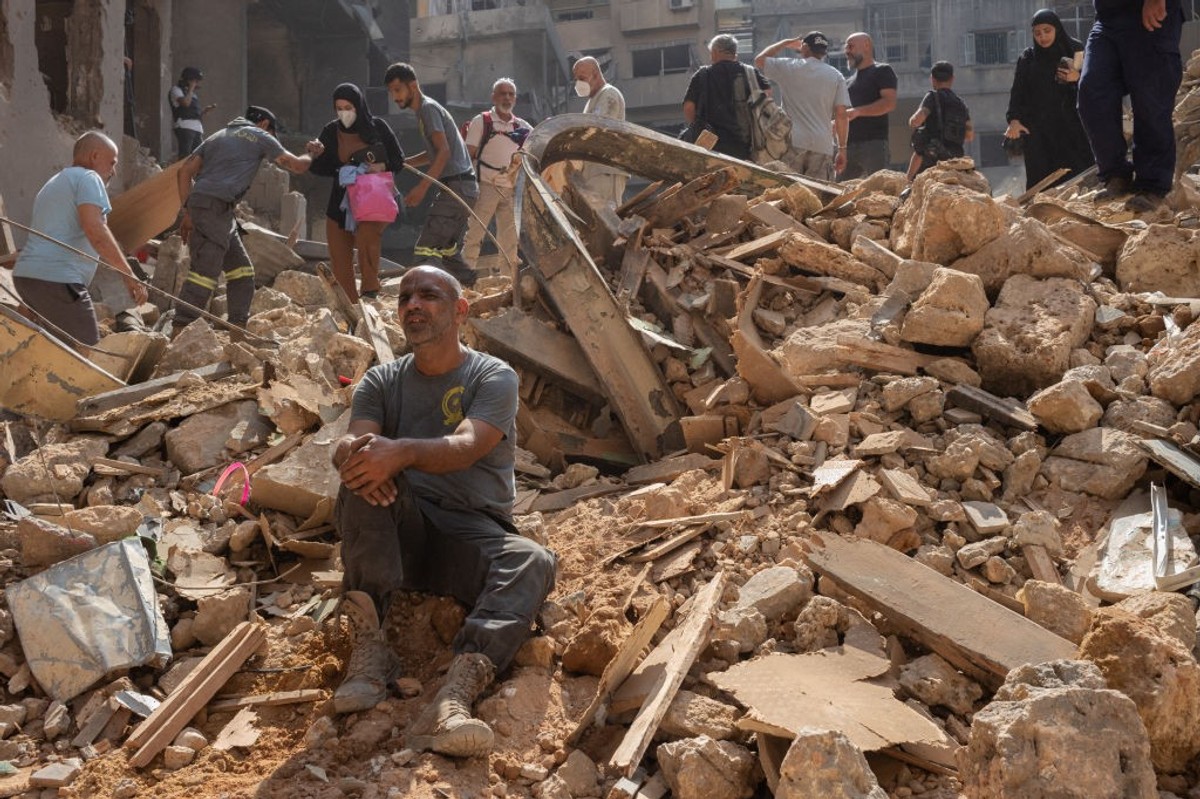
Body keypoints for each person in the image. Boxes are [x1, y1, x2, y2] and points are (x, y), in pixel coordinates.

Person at [331, 265, 556, 759]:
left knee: (533, 561)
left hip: (471, 533)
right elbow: (356, 437)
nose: (413, 304)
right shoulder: (381, 381)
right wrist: (351, 453)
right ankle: (370, 652)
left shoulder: (492, 376)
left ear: (460, 311)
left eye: (428, 295)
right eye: (405, 297)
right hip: (402, 532)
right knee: (363, 481)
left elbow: (469, 444)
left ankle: (454, 695)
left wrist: (403, 451)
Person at [174, 106, 321, 331]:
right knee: (205, 271)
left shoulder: (217, 136)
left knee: (242, 272)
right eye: (273, 134)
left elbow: (184, 171)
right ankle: (180, 329)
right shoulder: (260, 135)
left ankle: (237, 329)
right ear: (264, 124)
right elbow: (298, 166)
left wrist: (189, 211)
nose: (274, 140)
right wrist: (311, 152)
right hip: (215, 207)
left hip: (217, 210)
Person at [12, 131, 148, 347]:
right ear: (94, 156)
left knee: (35, 347)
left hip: (27, 278)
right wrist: (128, 275)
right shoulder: (89, 178)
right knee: (85, 350)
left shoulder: (54, 183)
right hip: (59, 281)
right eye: (112, 163)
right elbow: (96, 231)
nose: (113, 171)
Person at [1077, 0, 1185, 212]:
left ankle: (1152, 186)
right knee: (1093, 91)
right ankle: (1116, 174)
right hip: (1108, 17)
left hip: (1149, 13)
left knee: (1150, 99)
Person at [384, 63, 480, 287]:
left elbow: (444, 152)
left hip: (456, 188)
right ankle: (471, 288)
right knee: (447, 252)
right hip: (464, 188)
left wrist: (421, 188)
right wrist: (404, 163)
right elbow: (434, 153)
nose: (395, 97)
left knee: (425, 250)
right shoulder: (426, 111)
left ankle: (426, 298)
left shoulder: (427, 109)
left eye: (398, 90)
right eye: (391, 92)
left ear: (413, 86)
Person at [309, 83, 405, 302]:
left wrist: (381, 166)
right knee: (339, 255)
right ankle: (350, 306)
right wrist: (317, 155)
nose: (344, 113)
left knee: (367, 239)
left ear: (358, 106)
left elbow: (398, 160)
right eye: (339, 108)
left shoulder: (377, 127)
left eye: (348, 108)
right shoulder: (331, 131)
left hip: (373, 199)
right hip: (341, 203)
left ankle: (370, 292)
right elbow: (319, 169)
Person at [1004, 9, 1094, 191]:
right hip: (1038, 130)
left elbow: (1093, 85)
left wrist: (1077, 78)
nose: (1042, 37)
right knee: (1040, 184)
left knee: (1078, 180)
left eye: (1047, 31)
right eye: (1037, 33)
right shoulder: (1028, 58)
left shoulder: (1075, 50)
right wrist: (1014, 120)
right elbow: (1017, 92)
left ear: (1057, 29)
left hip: (1071, 128)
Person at [461, 78, 531, 283]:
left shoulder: (523, 127)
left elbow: (533, 153)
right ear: (494, 97)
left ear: (515, 99)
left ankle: (509, 284)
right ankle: (464, 281)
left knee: (510, 241)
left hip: (511, 188)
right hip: (485, 186)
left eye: (511, 94)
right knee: (475, 235)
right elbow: (468, 155)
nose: (507, 98)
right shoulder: (482, 122)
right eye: (502, 93)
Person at [754, 31, 850, 179]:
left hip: (793, 142)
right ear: (823, 52)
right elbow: (841, 115)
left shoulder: (789, 67)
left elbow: (760, 60)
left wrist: (785, 42)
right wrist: (842, 149)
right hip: (822, 145)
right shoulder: (836, 75)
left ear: (804, 47)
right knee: (819, 191)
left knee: (789, 189)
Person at [681, 35, 768, 161]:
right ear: (734, 53)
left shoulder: (702, 75)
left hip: (709, 147)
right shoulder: (750, 73)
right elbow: (767, 94)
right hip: (745, 148)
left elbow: (689, 108)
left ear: (715, 52)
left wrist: (697, 127)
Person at [572, 56, 628, 205]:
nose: (578, 83)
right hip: (594, 172)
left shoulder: (609, 94)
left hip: (606, 171)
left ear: (596, 75)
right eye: (576, 79)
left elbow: (598, 130)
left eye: (582, 78)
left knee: (607, 214)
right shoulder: (593, 100)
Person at [842, 33, 898, 180]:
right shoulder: (847, 82)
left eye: (850, 46)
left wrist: (858, 111)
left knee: (880, 188)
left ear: (866, 45)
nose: (846, 51)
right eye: (846, 47)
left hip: (874, 145)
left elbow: (889, 103)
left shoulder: (882, 71)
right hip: (848, 147)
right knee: (839, 190)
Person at [906, 61, 973, 180]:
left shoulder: (932, 97)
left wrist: (912, 121)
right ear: (952, 79)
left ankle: (907, 182)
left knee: (919, 143)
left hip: (933, 156)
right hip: (956, 157)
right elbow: (969, 135)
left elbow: (917, 120)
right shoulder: (960, 103)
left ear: (932, 79)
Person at [169, 67, 216, 159]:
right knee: (185, 157)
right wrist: (191, 89)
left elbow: (191, 112)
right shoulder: (176, 90)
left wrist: (204, 111)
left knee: (198, 158)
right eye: (195, 81)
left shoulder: (191, 94)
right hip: (184, 126)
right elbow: (185, 104)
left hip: (197, 128)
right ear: (189, 79)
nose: (196, 84)